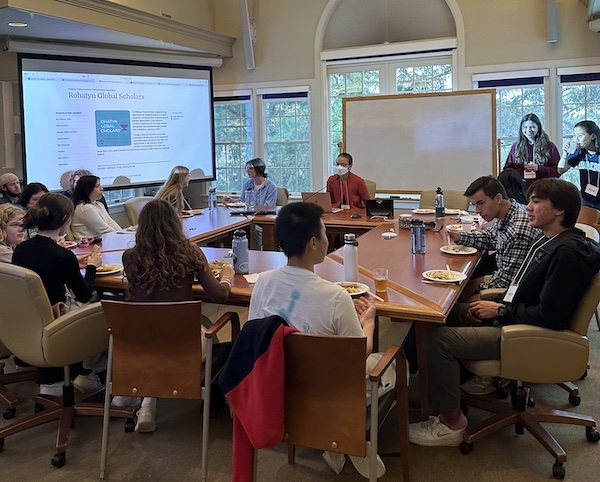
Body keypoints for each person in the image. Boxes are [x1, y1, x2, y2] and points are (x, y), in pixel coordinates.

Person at [409, 178, 600, 447]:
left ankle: (451, 423)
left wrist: (500, 310)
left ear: (559, 210)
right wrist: (499, 308)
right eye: (530, 200)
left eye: (536, 202)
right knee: (444, 313)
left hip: (530, 335)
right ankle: (417, 378)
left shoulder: (565, 254)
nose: (528, 207)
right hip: (515, 317)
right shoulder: (554, 241)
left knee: (440, 341)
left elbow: (550, 316)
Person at [248, 201, 389, 479]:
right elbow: (359, 353)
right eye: (325, 234)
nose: (327, 239)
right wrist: (369, 323)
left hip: (279, 385)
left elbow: (256, 336)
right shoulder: (335, 296)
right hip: (329, 392)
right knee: (394, 366)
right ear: (313, 242)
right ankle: (344, 432)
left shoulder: (263, 282)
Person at [120, 198, 234, 432]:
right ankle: (213, 395)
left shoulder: (129, 257)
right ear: (175, 224)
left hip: (142, 345)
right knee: (213, 327)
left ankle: (148, 401)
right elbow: (219, 296)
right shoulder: (190, 253)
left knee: (165, 328)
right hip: (183, 345)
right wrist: (226, 276)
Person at [12, 193, 104, 396]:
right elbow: (84, 295)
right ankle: (89, 374)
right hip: (58, 322)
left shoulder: (21, 250)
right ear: (65, 220)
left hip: (29, 323)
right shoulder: (63, 256)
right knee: (109, 311)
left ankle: (61, 379)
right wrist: (91, 267)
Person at [446, 176, 541, 299]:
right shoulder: (511, 211)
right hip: (503, 278)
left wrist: (473, 291)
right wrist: (459, 237)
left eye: (481, 203)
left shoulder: (518, 231)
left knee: (454, 300)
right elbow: (491, 238)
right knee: (460, 289)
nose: (477, 211)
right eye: (474, 205)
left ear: (498, 198)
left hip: (513, 294)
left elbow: (507, 283)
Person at [503, 113, 560, 187]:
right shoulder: (515, 147)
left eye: (532, 127)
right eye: (525, 127)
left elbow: (557, 171)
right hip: (521, 189)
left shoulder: (549, 146)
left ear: (538, 128)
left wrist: (538, 168)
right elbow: (508, 170)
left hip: (544, 188)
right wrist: (517, 179)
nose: (528, 130)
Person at [558, 120, 600, 209]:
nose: (576, 139)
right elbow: (561, 170)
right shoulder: (579, 152)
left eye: (580, 136)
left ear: (592, 136)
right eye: (575, 136)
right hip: (586, 199)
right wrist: (565, 153)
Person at [70, 175, 121, 240]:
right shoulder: (86, 208)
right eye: (97, 186)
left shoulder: (98, 204)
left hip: (101, 241)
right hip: (88, 246)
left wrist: (123, 233)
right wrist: (122, 237)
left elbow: (110, 222)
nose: (101, 189)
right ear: (87, 190)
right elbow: (105, 230)